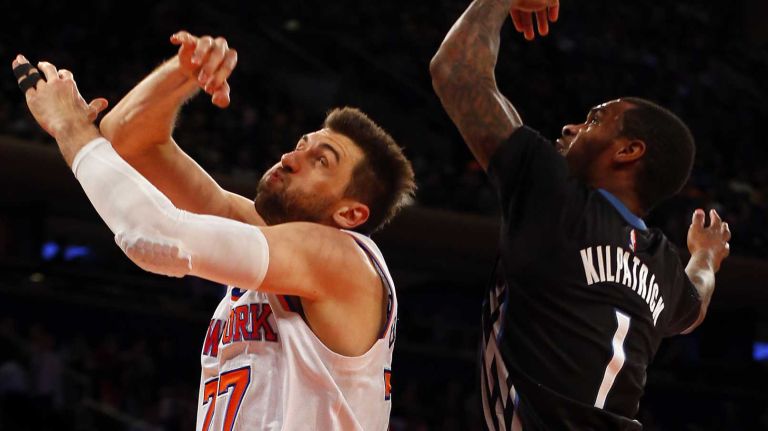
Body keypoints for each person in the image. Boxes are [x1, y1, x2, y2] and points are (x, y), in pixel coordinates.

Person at [12, 29, 414, 431]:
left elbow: (155, 238)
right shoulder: (271, 241)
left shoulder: (342, 258)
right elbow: (128, 141)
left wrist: (70, 129)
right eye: (302, 144)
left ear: (350, 214)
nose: (291, 158)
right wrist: (184, 72)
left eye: (321, 161)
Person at [430, 1, 731, 429]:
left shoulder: (556, 198)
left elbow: (457, 72)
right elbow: (695, 303)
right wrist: (706, 255)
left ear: (628, 151)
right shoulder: (663, 265)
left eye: (594, 120)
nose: (571, 127)